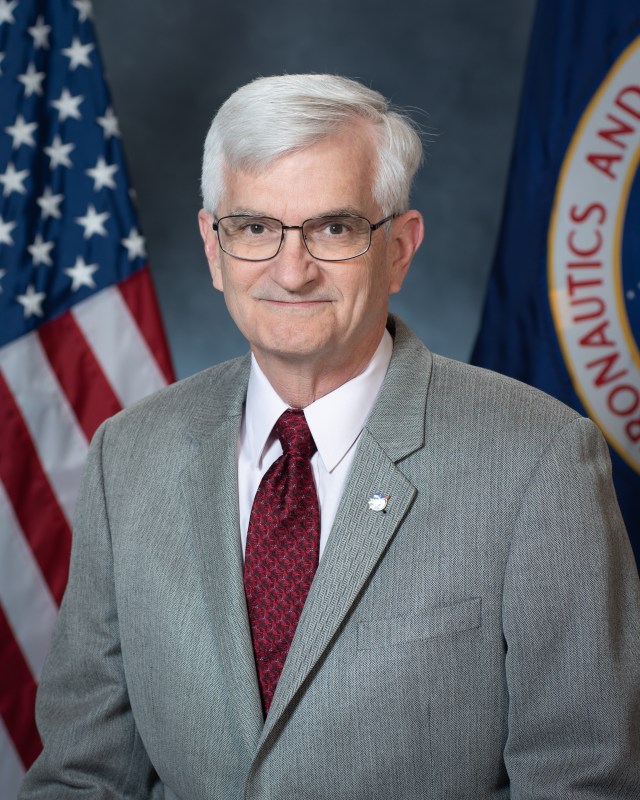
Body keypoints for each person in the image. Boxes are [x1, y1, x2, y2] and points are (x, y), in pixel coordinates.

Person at [21, 74, 640, 799]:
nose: (292, 270)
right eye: (254, 227)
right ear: (213, 248)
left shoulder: (538, 459)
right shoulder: (128, 455)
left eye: (334, 228)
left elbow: (582, 782)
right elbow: (82, 776)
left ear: (401, 249)